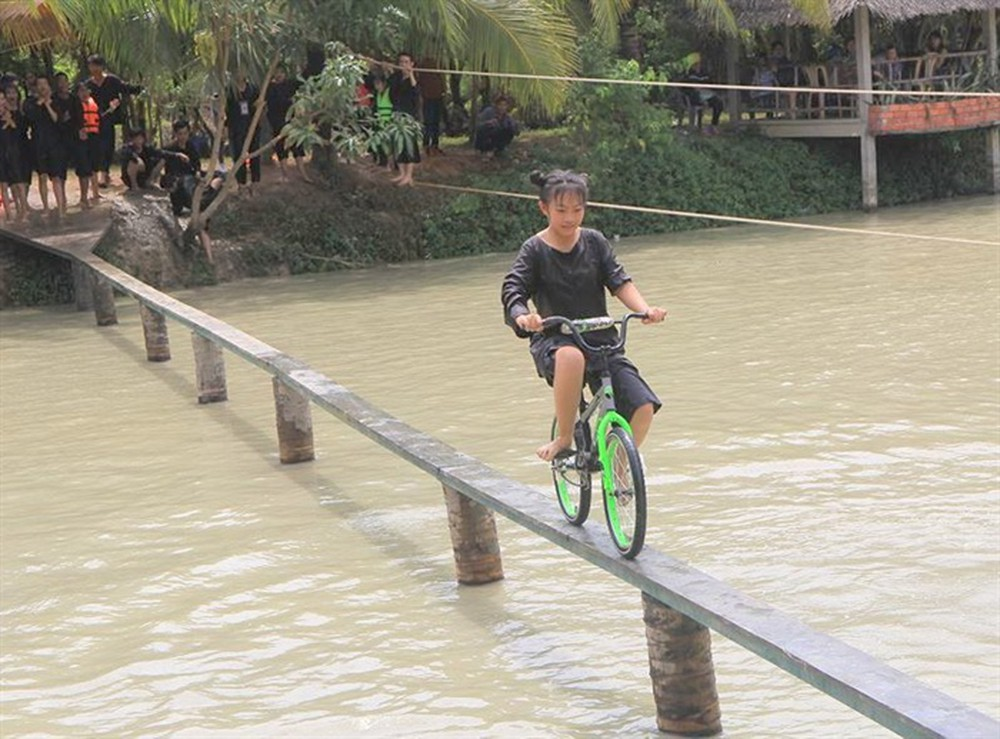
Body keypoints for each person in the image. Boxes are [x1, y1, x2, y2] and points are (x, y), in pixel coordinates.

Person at [501, 170, 666, 461]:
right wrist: (523, 317)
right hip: (555, 342)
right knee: (571, 357)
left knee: (644, 406)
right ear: (544, 208)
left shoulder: (595, 241)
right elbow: (514, 290)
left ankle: (618, 466)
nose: (570, 218)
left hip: (601, 341)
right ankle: (564, 438)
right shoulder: (534, 249)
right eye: (561, 210)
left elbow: (619, 281)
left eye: (577, 210)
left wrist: (644, 310)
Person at [85, 54, 143, 188]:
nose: (94, 69)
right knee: (97, 148)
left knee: (108, 146)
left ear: (101, 66)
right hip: (93, 120)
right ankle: (102, 174)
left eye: (96, 65)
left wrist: (141, 88)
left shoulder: (112, 80)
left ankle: (104, 174)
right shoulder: (88, 85)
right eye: (91, 66)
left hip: (109, 119)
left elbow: (126, 88)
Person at [24, 76, 71, 218]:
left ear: (50, 87)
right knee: (42, 176)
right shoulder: (31, 103)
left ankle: (61, 207)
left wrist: (48, 104)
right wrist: (40, 103)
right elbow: (31, 119)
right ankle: (45, 207)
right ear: (36, 88)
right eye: (40, 84)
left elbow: (57, 119)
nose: (42, 87)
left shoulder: (57, 101)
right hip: (39, 143)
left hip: (55, 143)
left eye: (45, 84)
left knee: (57, 177)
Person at [265, 64, 310, 182]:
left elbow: (304, 79)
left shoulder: (290, 84)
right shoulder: (269, 87)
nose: (279, 75)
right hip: (277, 121)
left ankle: (303, 173)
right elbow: (269, 104)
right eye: (277, 72)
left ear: (285, 73)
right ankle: (285, 174)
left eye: (281, 72)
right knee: (281, 146)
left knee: (297, 145)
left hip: (292, 119)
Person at [119, 127, 189, 191]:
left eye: (140, 138)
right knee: (133, 162)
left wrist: (177, 155)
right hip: (129, 178)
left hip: (144, 175)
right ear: (132, 139)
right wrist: (136, 158)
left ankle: (149, 181)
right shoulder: (127, 148)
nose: (138, 141)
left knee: (162, 159)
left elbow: (161, 152)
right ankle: (134, 186)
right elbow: (127, 154)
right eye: (136, 138)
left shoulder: (147, 148)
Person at [225, 72, 261, 193]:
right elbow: (225, 109)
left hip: (252, 126)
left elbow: (259, 103)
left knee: (254, 153)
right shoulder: (229, 90)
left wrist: (259, 106)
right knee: (238, 155)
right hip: (236, 127)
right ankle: (241, 184)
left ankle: (255, 183)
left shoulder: (253, 88)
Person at [388, 52, 421, 186]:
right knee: (398, 144)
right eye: (401, 62)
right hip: (396, 113)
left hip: (409, 116)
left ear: (412, 64)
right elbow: (390, 88)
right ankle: (401, 173)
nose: (403, 64)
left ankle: (409, 175)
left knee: (409, 145)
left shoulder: (414, 79)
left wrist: (410, 73)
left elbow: (415, 92)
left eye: (406, 62)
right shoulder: (396, 77)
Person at [0, 94, 30, 222]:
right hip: (1, 153)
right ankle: (9, 215)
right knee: (3, 184)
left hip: (14, 152)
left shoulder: (15, 114)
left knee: (19, 183)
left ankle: (23, 212)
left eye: (2, 99)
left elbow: (20, 132)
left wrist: (9, 121)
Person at [74, 82, 102, 208]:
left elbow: (99, 117)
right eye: (81, 91)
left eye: (86, 91)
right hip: (81, 139)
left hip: (94, 137)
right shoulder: (74, 106)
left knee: (94, 165)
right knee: (84, 168)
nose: (84, 93)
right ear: (77, 93)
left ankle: (96, 193)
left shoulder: (93, 103)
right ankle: (83, 198)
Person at [681, 56, 724, 131]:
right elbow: (684, 88)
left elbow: (711, 84)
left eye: (699, 64)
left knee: (719, 103)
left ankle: (714, 125)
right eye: (695, 64)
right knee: (697, 102)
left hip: (707, 94)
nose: (698, 66)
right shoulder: (687, 76)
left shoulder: (705, 74)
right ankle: (696, 126)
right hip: (694, 96)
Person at [419, 57, 445, 156]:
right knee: (428, 122)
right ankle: (426, 145)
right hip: (427, 97)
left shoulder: (439, 62)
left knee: (436, 122)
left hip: (438, 97)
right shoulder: (423, 64)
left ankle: (435, 145)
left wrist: (443, 91)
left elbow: (441, 78)